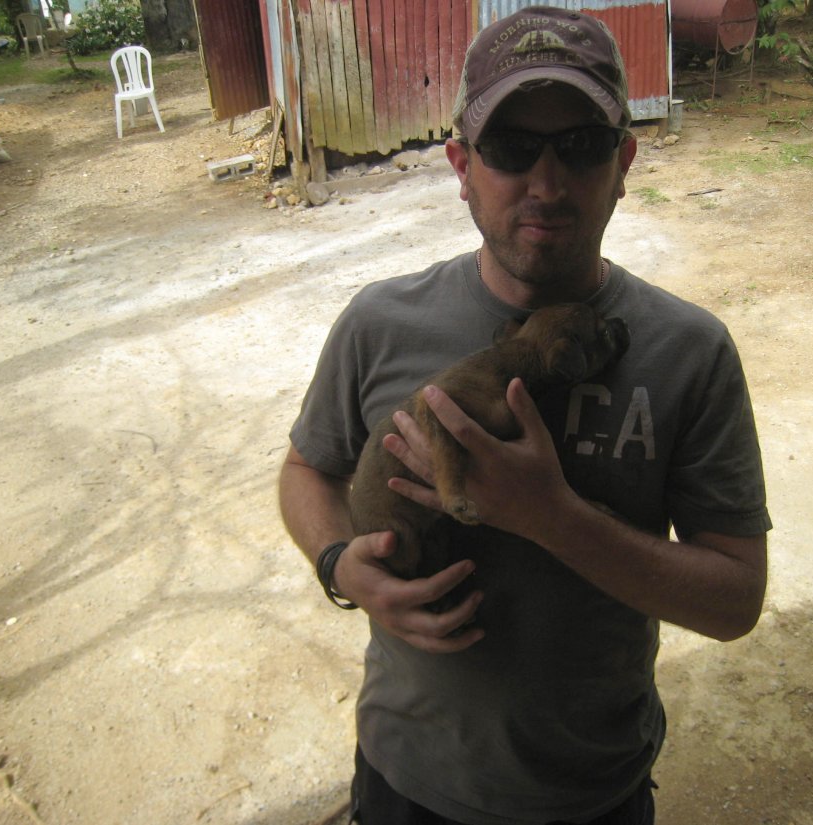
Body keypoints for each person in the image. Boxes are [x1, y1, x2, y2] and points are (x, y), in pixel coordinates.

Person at [278, 7, 771, 824]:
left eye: (579, 146)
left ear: (625, 161)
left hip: (590, 795)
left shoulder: (691, 351)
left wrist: (553, 517)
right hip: (407, 781)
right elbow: (307, 470)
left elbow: (735, 599)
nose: (545, 183)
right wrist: (339, 562)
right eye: (511, 150)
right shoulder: (379, 322)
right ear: (462, 165)